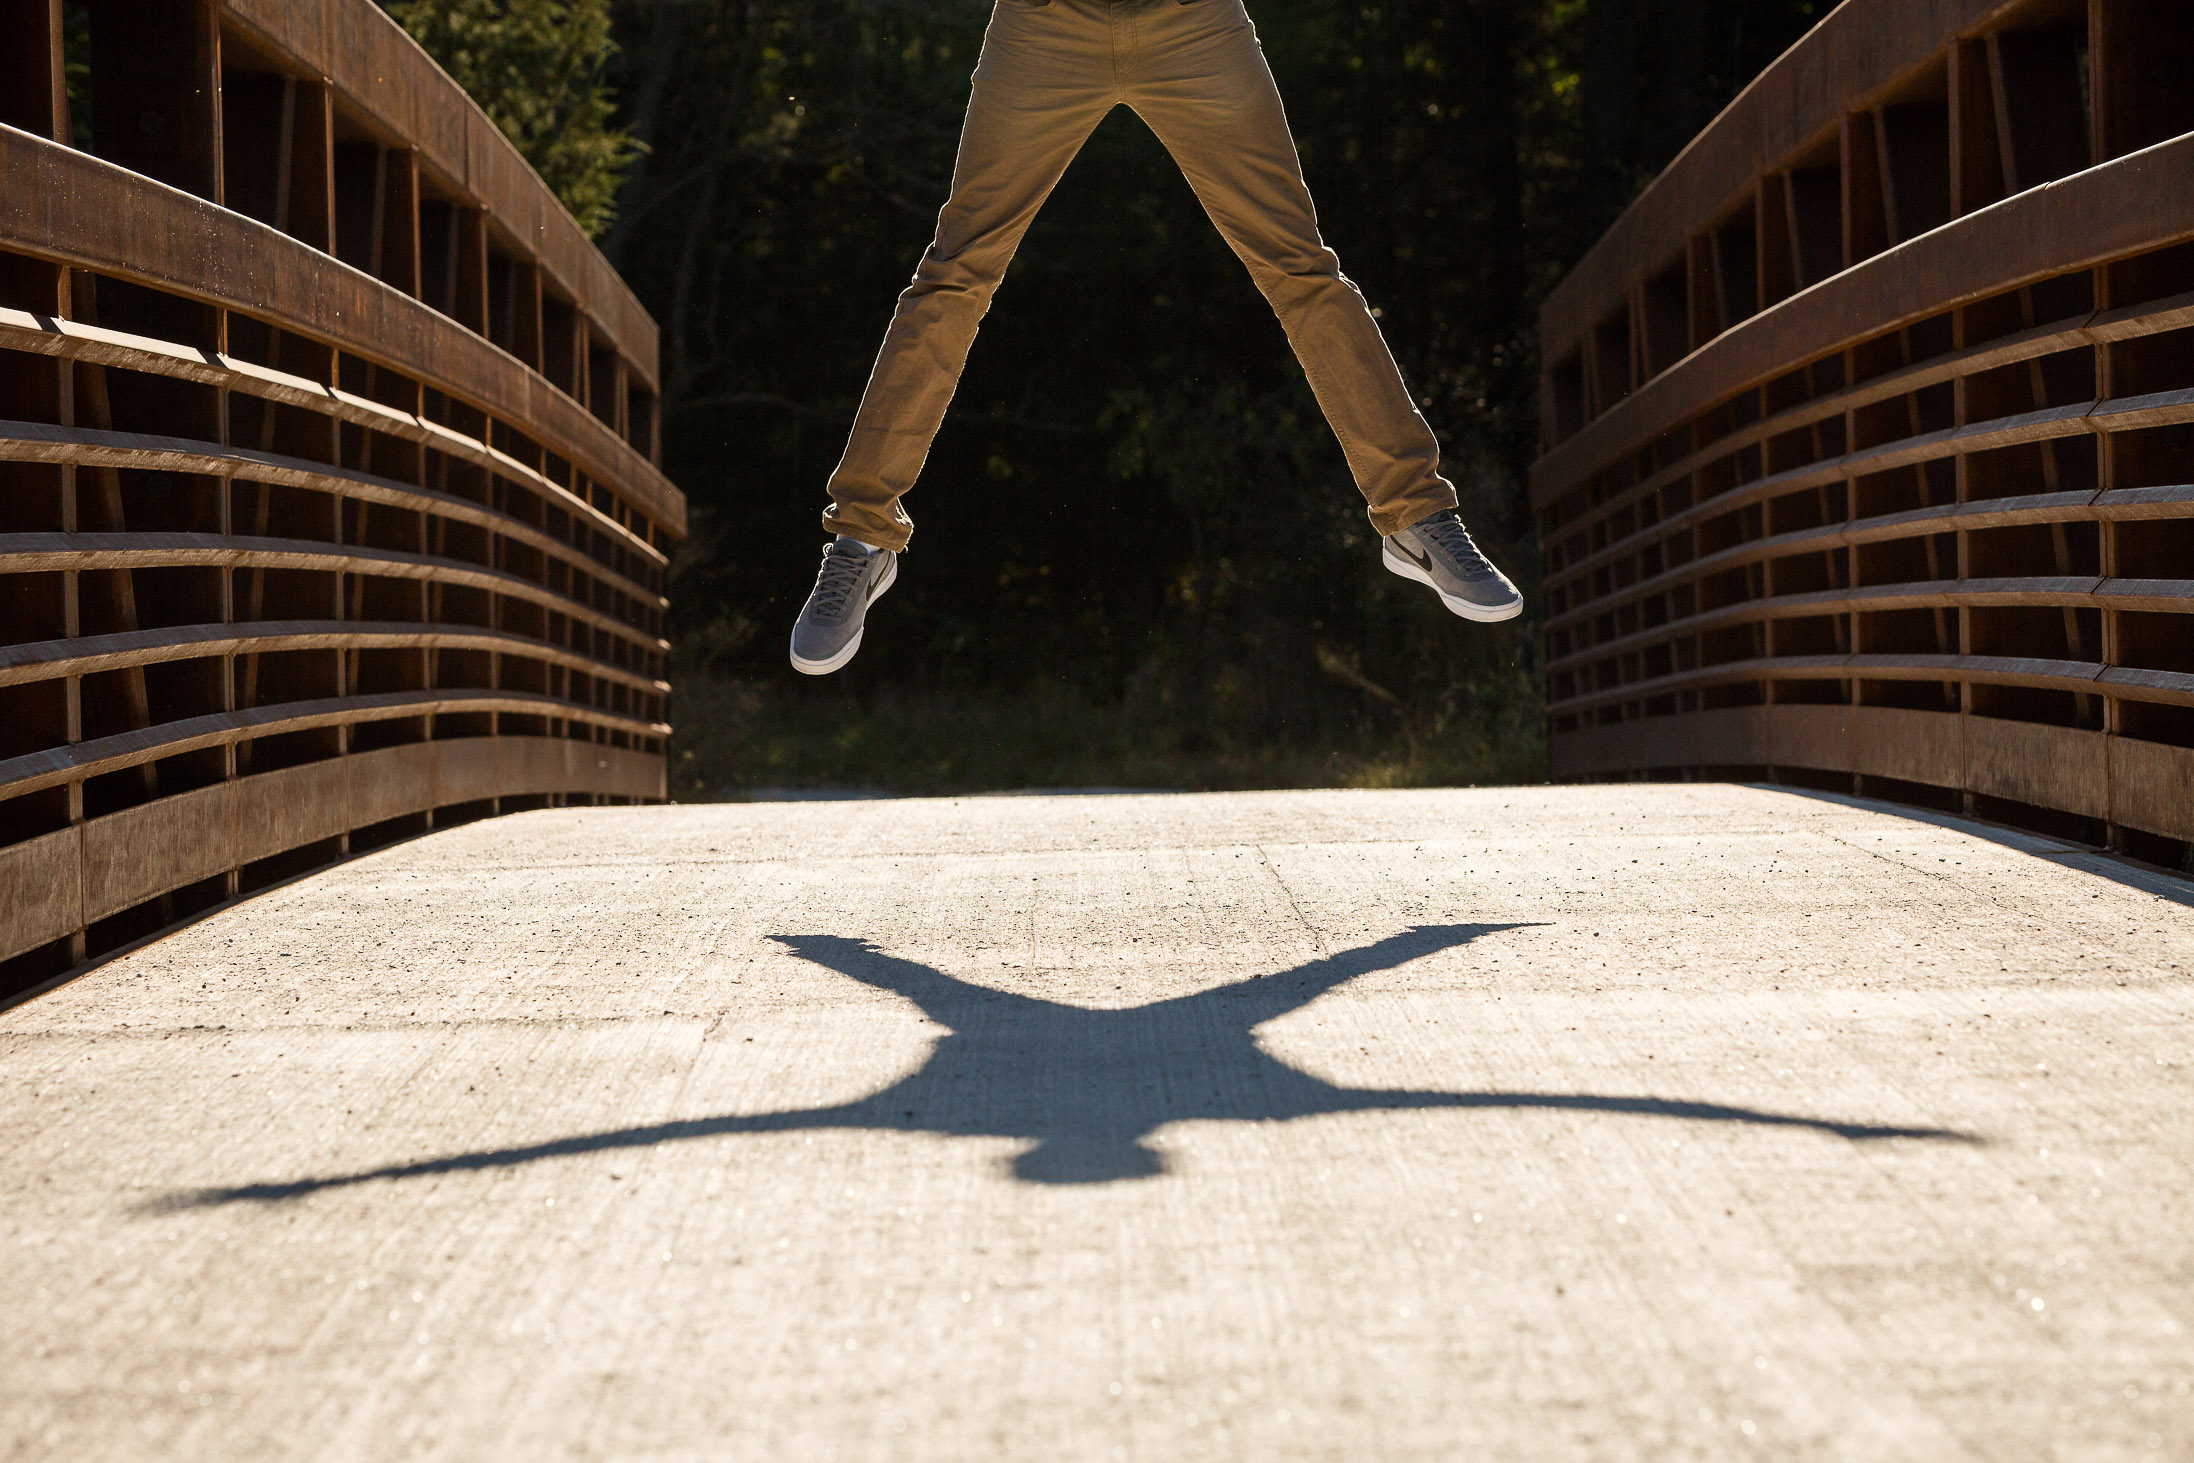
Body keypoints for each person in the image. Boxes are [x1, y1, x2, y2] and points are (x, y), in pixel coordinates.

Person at [790, 0, 1521, 676]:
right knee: (954, 274)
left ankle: (1417, 515)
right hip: (1047, 24)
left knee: (1300, 267)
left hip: (1191, 21)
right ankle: (860, 538)